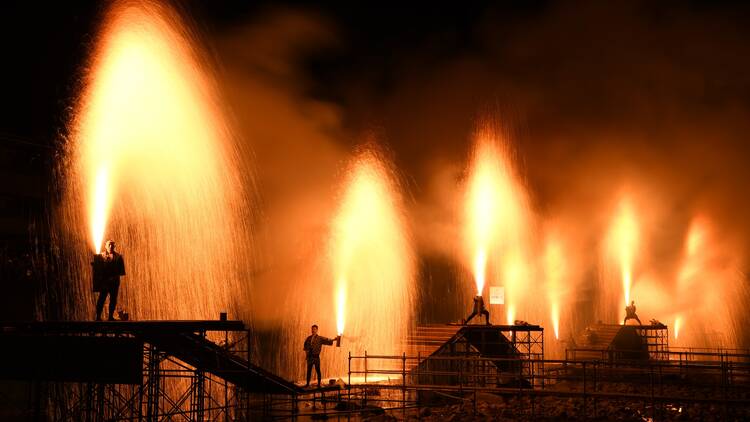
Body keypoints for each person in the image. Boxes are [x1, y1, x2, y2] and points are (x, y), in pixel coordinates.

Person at [94, 240, 126, 321]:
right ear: (105, 246)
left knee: (113, 299)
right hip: (104, 283)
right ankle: (98, 316)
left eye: (112, 245)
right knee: (101, 299)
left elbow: (121, 271)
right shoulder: (100, 256)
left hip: (114, 282)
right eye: (109, 245)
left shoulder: (119, 257)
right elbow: (98, 270)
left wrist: (113, 277)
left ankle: (110, 316)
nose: (110, 246)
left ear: (115, 246)